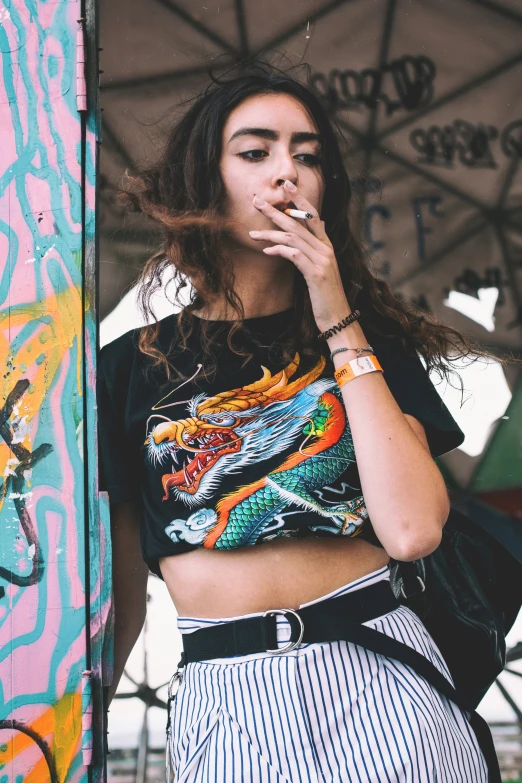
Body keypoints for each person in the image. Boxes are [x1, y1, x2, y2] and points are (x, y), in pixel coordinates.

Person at [97, 63, 489, 782]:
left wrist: (335, 311)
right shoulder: (128, 369)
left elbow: (411, 529)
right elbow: (122, 589)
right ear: (205, 181)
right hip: (228, 694)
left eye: (307, 156)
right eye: (256, 153)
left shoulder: (365, 340)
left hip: (380, 673)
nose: (287, 175)